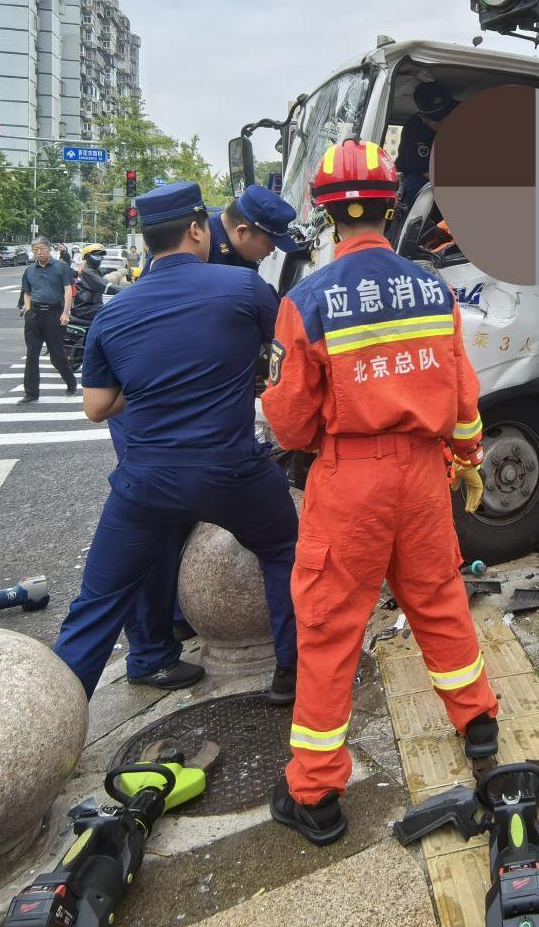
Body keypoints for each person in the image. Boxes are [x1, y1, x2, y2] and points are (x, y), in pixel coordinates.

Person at [262, 142, 493, 846]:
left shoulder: (305, 302)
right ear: (391, 205)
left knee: (330, 630)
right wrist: (464, 456)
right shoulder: (435, 291)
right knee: (440, 602)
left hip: (350, 480)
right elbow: (462, 396)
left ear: (327, 215)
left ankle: (317, 796)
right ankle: (479, 727)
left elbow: (294, 420)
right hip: (424, 480)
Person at [50, 182, 299, 695]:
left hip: (145, 476)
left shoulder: (112, 313)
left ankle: (50, 717)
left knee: (99, 599)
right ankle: (293, 673)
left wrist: (152, 388)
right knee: (284, 548)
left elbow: (96, 407)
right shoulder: (246, 289)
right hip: (231, 471)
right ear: (194, 229)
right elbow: (285, 361)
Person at [17, 237, 77, 403]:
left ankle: (71, 383)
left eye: (42, 248)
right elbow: (27, 292)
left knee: (57, 355)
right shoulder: (29, 270)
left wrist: (66, 312)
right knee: (32, 354)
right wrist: (28, 312)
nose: (39, 252)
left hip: (54, 314)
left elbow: (67, 291)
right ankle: (31, 393)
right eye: (36, 249)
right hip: (35, 314)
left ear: (49, 249)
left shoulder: (61, 267)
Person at [208, 182, 306, 270]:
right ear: (242, 232)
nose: (272, 250)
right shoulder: (203, 249)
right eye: (269, 244)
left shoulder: (243, 252)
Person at [396, 80, 458, 213]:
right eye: (440, 120)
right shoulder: (414, 130)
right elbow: (426, 171)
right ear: (423, 118)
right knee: (420, 189)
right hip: (418, 176)